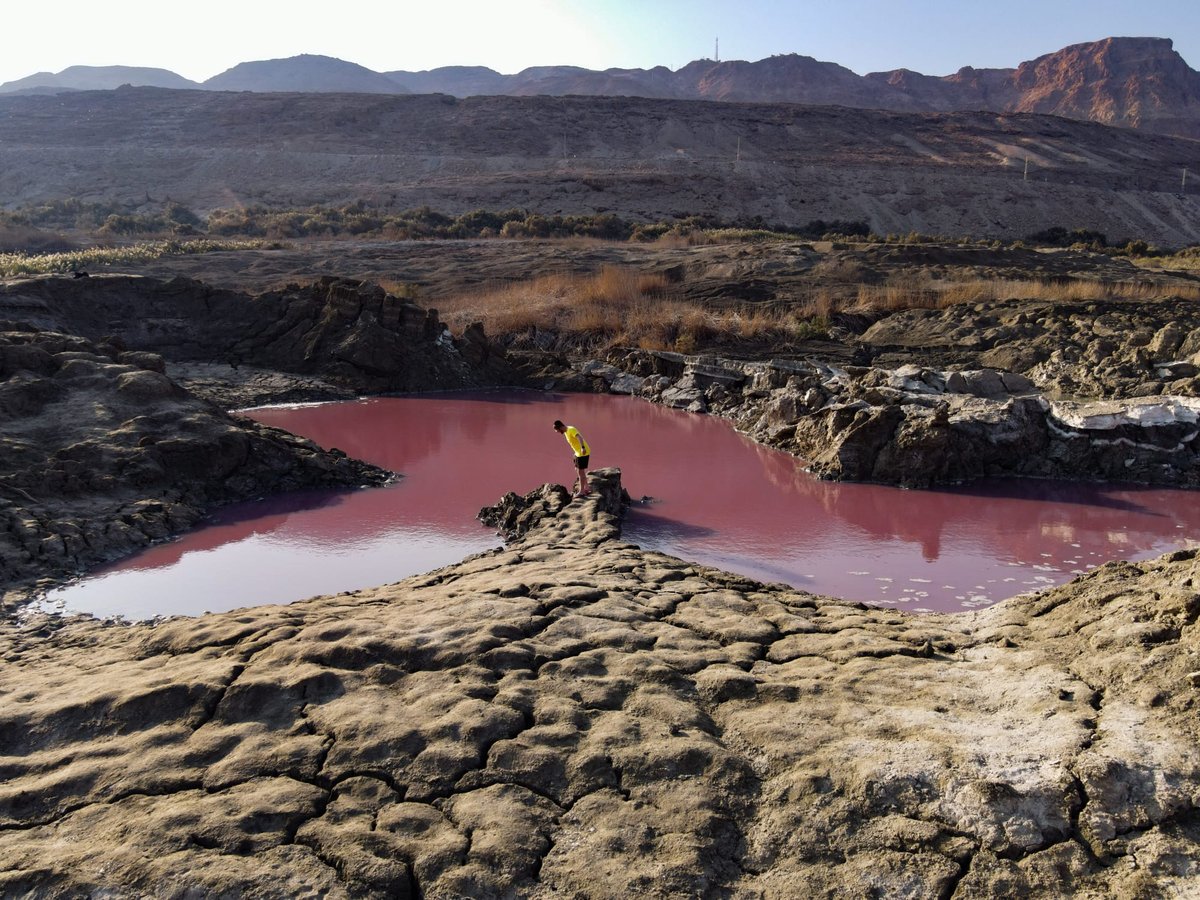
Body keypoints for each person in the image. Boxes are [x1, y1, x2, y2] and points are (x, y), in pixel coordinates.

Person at [553, 419, 591, 497]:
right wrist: (575, 453)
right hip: (577, 453)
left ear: (560, 427)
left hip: (583, 453)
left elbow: (580, 437)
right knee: (577, 470)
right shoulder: (566, 432)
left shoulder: (571, 429)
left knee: (580, 472)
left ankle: (582, 491)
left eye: (557, 430)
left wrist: (582, 447)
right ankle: (587, 487)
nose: (558, 432)